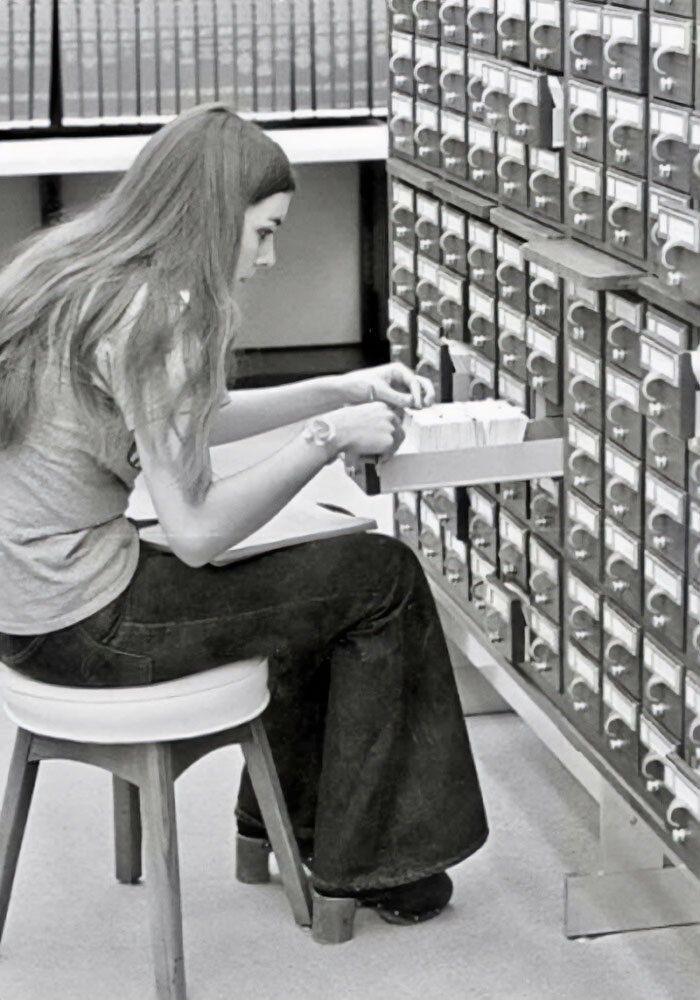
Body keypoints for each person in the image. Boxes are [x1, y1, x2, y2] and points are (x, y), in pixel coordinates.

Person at [0, 104, 488, 923]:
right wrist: (328, 438)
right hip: (86, 622)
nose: (269, 257)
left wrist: (338, 387)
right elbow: (195, 536)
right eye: (264, 232)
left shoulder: (78, 267)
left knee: (311, 573)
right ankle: (372, 866)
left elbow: (185, 415)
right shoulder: (156, 313)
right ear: (216, 216)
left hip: (27, 606)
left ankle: (282, 827)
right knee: (381, 579)